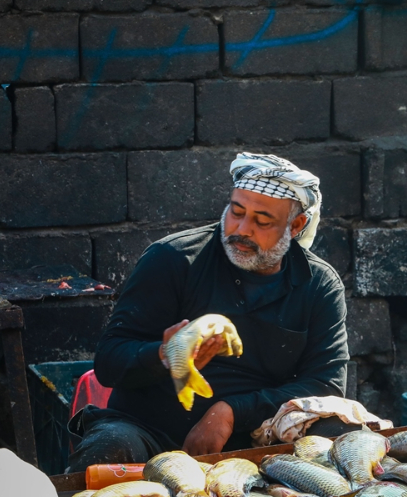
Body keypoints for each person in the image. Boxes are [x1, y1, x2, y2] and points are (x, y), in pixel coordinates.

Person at [67, 153, 350, 471]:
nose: (242, 229)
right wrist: (164, 354)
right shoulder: (173, 259)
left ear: (295, 225)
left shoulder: (318, 284)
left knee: (339, 438)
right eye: (236, 212)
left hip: (260, 439)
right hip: (148, 432)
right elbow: (109, 361)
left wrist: (231, 411)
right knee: (108, 448)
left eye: (262, 221)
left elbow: (326, 385)